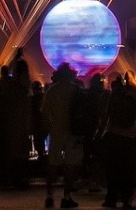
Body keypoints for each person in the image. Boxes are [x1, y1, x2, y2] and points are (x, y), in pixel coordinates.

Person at [41, 63, 82, 210]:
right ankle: (67, 196)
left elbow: (45, 114)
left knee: (52, 164)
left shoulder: (52, 91)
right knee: (71, 166)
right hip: (73, 133)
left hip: (56, 131)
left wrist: (47, 129)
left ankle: (50, 196)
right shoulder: (76, 90)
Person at [99, 76, 136, 210]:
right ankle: (126, 200)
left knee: (112, 170)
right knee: (128, 171)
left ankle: (111, 199)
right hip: (129, 138)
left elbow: (106, 117)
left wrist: (100, 134)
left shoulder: (112, 99)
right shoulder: (132, 98)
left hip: (112, 136)